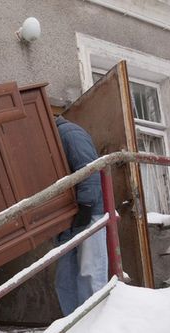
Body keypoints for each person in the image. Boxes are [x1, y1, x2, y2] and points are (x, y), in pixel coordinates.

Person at [53, 115, 108, 316]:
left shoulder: (70, 133)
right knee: (64, 279)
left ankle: (95, 323)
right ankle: (74, 326)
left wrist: (85, 204)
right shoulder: (53, 138)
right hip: (68, 217)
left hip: (88, 211)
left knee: (90, 272)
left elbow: (89, 168)